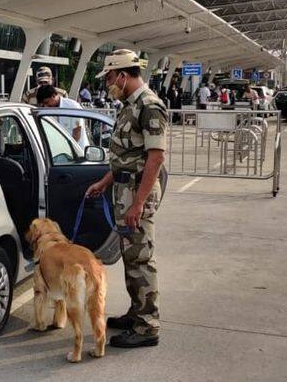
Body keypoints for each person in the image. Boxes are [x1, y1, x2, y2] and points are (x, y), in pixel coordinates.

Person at [85, 49, 167, 348]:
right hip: (124, 191)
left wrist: (138, 203)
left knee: (141, 260)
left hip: (136, 194)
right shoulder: (128, 104)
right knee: (131, 259)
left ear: (122, 74)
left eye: (109, 76)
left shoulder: (149, 106)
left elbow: (155, 158)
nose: (107, 83)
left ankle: (148, 328)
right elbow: (126, 156)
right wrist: (105, 182)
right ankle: (137, 314)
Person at [36, 83, 89, 148]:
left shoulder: (72, 107)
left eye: (47, 102)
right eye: (43, 104)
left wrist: (69, 150)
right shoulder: (47, 110)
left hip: (77, 150)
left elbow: (77, 132)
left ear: (53, 96)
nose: (46, 106)